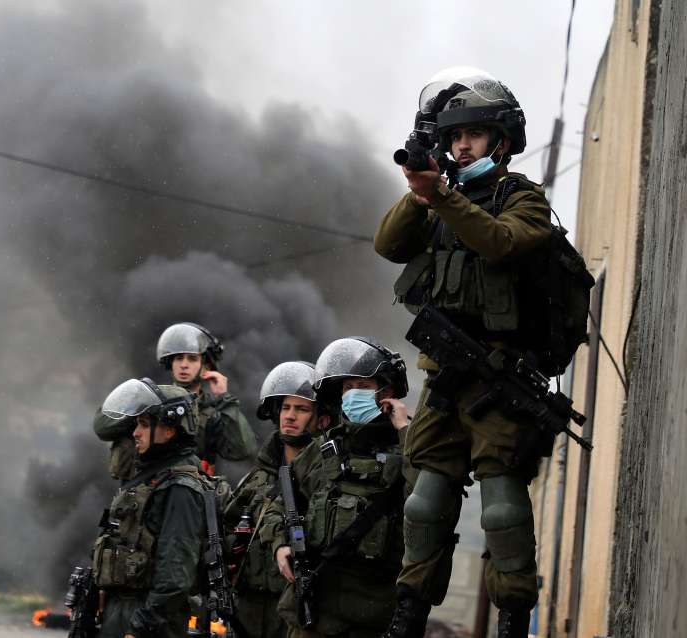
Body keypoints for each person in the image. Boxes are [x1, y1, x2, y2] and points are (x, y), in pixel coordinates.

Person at [374, 68, 551, 638]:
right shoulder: (438, 201)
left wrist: (444, 196)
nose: (462, 146)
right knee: (423, 504)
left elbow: (502, 243)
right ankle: (409, 612)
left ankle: (513, 617)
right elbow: (388, 244)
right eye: (454, 137)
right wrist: (420, 192)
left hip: (500, 380)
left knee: (501, 508)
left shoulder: (521, 198)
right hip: (445, 379)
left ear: (500, 140)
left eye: (473, 134)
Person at [272, 338, 411, 638]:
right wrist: (281, 544)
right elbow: (281, 501)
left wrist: (405, 431)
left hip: (370, 618)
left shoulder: (406, 451)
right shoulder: (325, 450)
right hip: (312, 610)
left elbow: (426, 496)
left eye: (363, 386)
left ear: (386, 393)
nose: (353, 394)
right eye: (348, 387)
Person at [91, 378, 208, 638]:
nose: (135, 433)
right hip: (124, 611)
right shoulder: (150, 478)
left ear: (169, 430)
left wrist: (139, 628)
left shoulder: (181, 489)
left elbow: (175, 577)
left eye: (144, 424)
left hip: (150, 622)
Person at [225, 361, 329, 638]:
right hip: (245, 606)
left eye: (301, 409)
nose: (290, 416)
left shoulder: (326, 477)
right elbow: (229, 525)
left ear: (322, 419)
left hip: (293, 607)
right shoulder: (260, 475)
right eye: (285, 407)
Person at [94, 323, 258, 480]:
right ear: (170, 363)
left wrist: (224, 398)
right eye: (179, 358)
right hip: (143, 489)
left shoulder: (212, 414)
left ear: (206, 367)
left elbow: (242, 450)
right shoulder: (149, 399)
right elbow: (102, 428)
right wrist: (136, 412)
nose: (184, 365)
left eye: (192, 359)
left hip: (186, 490)